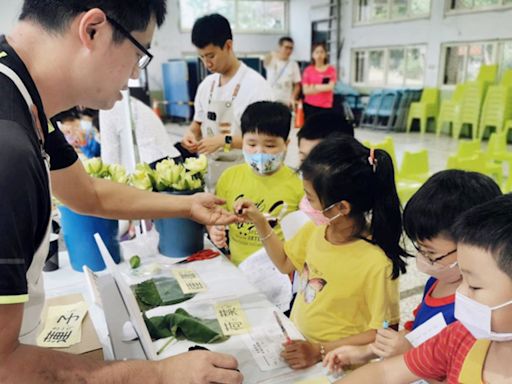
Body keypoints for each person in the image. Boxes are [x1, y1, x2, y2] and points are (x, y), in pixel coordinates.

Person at [0, 1, 243, 383]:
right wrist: (159, 374)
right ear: (93, 29)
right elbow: (5, 365)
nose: (134, 75)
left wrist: (186, 206)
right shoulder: (8, 150)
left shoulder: (22, 97)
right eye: (138, 54)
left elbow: (88, 194)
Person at [234, 136, 409, 369]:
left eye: (310, 198)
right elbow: (285, 263)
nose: (305, 204)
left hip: (336, 364)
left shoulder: (377, 264)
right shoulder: (316, 231)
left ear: (341, 208)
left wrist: (320, 350)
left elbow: (383, 332)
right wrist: (259, 221)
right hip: (299, 346)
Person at [323, 170, 501, 373]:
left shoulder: (477, 311)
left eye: (432, 253)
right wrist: (365, 351)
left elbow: (460, 373)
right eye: (420, 249)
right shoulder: (438, 281)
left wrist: (409, 355)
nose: (424, 260)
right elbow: (415, 332)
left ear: (473, 247)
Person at [181, 13, 273, 189]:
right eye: (201, 57)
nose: (206, 63)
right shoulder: (206, 86)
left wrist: (225, 141)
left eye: (211, 56)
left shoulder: (256, 87)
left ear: (228, 45)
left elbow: (266, 140)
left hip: (245, 179)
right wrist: (190, 135)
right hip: (211, 177)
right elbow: (197, 124)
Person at [208, 101, 303, 266]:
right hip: (239, 266)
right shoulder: (229, 177)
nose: (259, 152)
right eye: (251, 144)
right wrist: (215, 230)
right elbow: (216, 216)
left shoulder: (298, 183)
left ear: (286, 145)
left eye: (270, 145)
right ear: (242, 141)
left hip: (281, 270)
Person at [301, 42, 337, 120]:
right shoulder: (308, 70)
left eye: (321, 52)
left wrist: (314, 86)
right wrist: (322, 87)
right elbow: (306, 90)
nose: (319, 55)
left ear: (325, 54)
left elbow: (330, 87)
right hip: (310, 105)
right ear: (313, 55)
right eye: (317, 52)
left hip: (326, 106)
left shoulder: (331, 70)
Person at [263, 36, 301, 108]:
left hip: (286, 100)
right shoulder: (271, 59)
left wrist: (292, 97)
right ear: (279, 47)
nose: (289, 51)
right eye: (286, 47)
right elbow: (265, 60)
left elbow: (297, 85)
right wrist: (273, 54)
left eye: (291, 48)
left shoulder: (294, 64)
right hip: (270, 98)